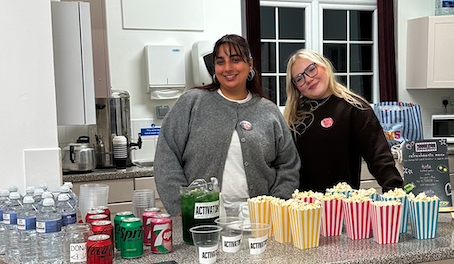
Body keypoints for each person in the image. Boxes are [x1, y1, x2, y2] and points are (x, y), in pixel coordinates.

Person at [154, 34, 300, 216]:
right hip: (201, 219)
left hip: (259, 221)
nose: (228, 68)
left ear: (250, 64)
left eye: (235, 60)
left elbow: (288, 165)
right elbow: (166, 157)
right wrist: (181, 208)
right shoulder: (192, 103)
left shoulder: (268, 111)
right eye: (220, 62)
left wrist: (276, 206)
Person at [284, 49, 403, 193]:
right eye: (299, 78)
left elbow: (379, 157)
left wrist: (395, 192)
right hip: (301, 209)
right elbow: (283, 166)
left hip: (341, 208)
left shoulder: (354, 108)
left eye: (311, 69)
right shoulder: (293, 117)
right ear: (295, 87)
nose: (308, 79)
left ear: (324, 66)